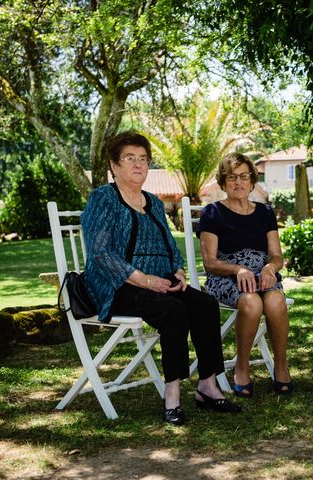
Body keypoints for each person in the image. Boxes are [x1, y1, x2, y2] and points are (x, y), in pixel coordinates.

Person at [82, 131, 240, 426]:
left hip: (159, 281)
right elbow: (101, 255)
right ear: (114, 166)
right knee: (173, 310)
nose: (139, 165)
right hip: (117, 286)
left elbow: (169, 244)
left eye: (143, 159)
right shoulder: (102, 199)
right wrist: (144, 280)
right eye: (130, 159)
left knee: (204, 304)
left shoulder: (153, 202)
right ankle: (172, 393)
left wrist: (177, 272)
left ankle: (207, 384)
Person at [197, 153, 291, 398]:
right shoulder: (212, 213)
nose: (238, 182)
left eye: (243, 176)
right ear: (223, 182)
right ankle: (242, 365)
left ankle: (281, 366)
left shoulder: (265, 213)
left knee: (276, 300)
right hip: (225, 277)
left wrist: (270, 268)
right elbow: (209, 262)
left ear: (252, 181)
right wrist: (238, 269)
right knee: (251, 301)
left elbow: (276, 256)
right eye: (231, 177)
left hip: (262, 276)